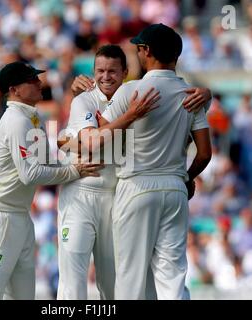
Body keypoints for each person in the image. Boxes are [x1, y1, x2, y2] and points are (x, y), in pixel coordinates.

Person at [58, 44, 212, 300]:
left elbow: (177, 116)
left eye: (112, 71)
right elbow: (87, 142)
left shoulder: (135, 95)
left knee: (114, 281)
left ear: (126, 72)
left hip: (115, 194)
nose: (105, 77)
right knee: (73, 280)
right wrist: (68, 143)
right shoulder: (85, 99)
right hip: (81, 194)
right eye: (100, 71)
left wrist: (208, 94)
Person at [0, 61, 104, 300]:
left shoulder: (33, 119)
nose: (40, 83)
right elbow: (30, 174)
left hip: (20, 216)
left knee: (23, 296)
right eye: (32, 80)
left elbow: (47, 164)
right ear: (15, 90)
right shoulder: (16, 120)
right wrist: (74, 171)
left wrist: (77, 165)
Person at [99, 24, 212, 299]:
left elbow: (101, 135)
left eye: (139, 49)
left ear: (146, 51)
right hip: (174, 187)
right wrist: (185, 177)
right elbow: (205, 153)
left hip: (136, 186)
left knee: (130, 276)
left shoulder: (130, 91)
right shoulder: (192, 94)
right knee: (172, 275)